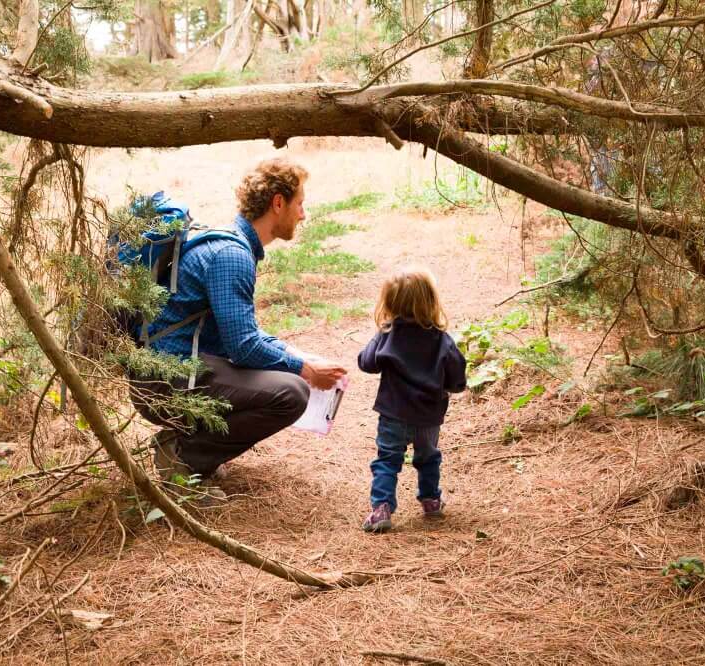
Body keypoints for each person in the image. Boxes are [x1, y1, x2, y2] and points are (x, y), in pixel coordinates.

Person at [129, 158, 347, 496]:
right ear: (278, 203)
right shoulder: (232, 255)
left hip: (168, 374)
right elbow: (244, 347)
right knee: (291, 393)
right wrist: (305, 370)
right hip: (165, 383)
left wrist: (296, 355)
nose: (303, 214)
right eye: (299, 203)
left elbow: (243, 337)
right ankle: (181, 460)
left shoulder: (230, 245)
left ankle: (186, 448)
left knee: (287, 379)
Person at [357, 266, 466, 532]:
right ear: (430, 300)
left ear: (390, 303)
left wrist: (381, 332)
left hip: (393, 414)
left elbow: (366, 362)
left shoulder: (388, 335)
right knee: (428, 458)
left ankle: (381, 508)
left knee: (387, 460)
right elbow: (458, 380)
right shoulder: (442, 341)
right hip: (428, 417)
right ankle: (430, 500)